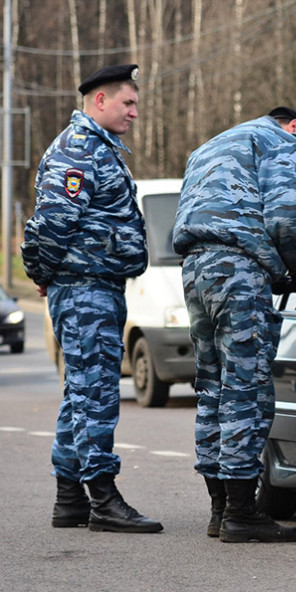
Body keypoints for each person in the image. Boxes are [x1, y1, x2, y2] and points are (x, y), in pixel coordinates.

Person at [21, 64, 162, 533]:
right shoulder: (79, 150)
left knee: (79, 394)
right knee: (96, 395)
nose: (135, 113)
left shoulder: (99, 148)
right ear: (100, 101)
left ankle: (70, 499)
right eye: (128, 103)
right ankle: (103, 498)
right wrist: (43, 273)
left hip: (95, 287)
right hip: (84, 291)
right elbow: (51, 224)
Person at [172, 106, 296, 543]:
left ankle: (220, 508)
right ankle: (242, 512)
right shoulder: (283, 140)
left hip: (195, 270)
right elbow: (289, 213)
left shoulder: (207, 149)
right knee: (247, 387)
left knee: (213, 386)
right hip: (239, 270)